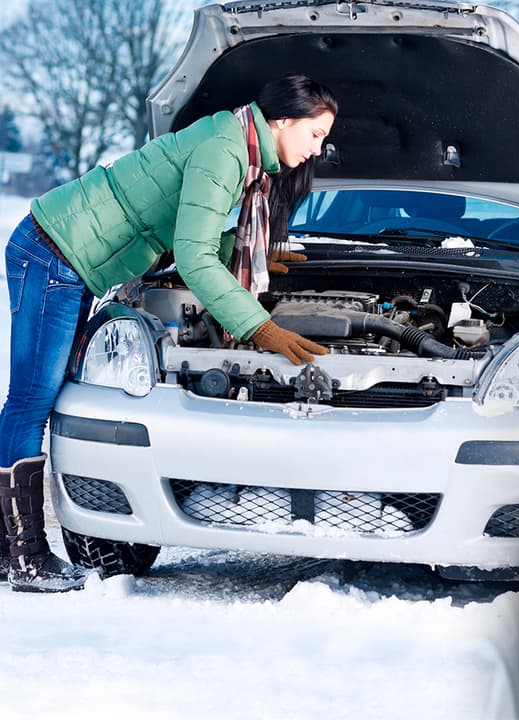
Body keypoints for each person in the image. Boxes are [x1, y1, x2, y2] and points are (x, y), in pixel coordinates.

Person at [0, 74, 337, 592]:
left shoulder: (234, 142)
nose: (317, 149)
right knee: (30, 402)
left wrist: (251, 255)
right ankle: (24, 556)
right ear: (284, 121)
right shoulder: (226, 151)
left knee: (33, 401)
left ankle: (9, 549)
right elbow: (194, 257)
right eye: (314, 134)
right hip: (54, 252)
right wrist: (259, 327)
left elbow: (186, 234)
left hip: (67, 257)